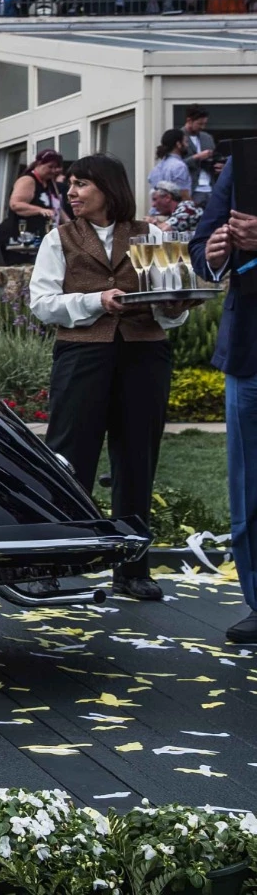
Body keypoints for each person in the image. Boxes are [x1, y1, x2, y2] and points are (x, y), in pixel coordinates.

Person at [31, 154, 197, 602]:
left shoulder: (154, 235)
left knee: (137, 461)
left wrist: (174, 306)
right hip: (82, 355)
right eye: (70, 185)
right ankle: (53, 564)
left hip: (144, 356)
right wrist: (95, 301)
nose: (71, 193)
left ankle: (131, 571)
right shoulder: (58, 238)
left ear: (108, 188)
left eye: (81, 185)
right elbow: (42, 303)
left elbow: (173, 307)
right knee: (69, 461)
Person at [189, 160, 257, 643]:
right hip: (251, 349)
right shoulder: (245, 162)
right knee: (249, 489)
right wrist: (214, 253)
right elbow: (201, 244)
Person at [0, 148, 67, 252]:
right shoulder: (28, 180)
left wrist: (71, 224)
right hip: (21, 239)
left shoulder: (50, 183)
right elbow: (15, 204)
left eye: (56, 167)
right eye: (50, 167)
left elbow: (57, 209)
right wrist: (40, 210)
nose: (53, 171)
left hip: (44, 238)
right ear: (39, 164)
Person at [183, 106, 217, 203]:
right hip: (191, 189)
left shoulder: (207, 138)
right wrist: (197, 157)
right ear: (189, 120)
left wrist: (218, 166)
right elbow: (175, 164)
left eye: (204, 124)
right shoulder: (178, 136)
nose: (202, 127)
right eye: (200, 124)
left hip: (210, 187)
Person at [151, 129, 192, 198]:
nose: (187, 145)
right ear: (178, 144)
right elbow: (183, 195)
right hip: (174, 208)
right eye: (186, 142)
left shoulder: (157, 167)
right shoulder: (180, 166)